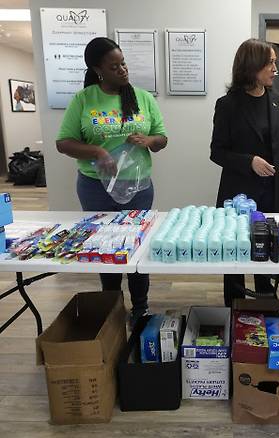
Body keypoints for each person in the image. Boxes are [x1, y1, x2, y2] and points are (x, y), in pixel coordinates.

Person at [56, 37, 168, 324]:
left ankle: (140, 307)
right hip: (96, 187)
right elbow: (63, 143)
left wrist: (149, 140)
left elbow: (162, 139)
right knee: (106, 247)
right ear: (97, 70)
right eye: (114, 66)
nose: (123, 70)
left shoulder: (142, 98)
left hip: (139, 186)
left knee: (138, 247)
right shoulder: (83, 100)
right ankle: (112, 304)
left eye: (124, 63)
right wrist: (96, 151)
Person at [210, 38, 279, 307]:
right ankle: (234, 304)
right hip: (238, 193)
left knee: (268, 248)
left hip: (272, 191)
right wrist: (249, 162)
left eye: (275, 62)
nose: (275, 68)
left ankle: (265, 299)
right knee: (235, 251)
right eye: (270, 62)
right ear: (251, 65)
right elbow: (217, 152)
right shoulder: (227, 104)